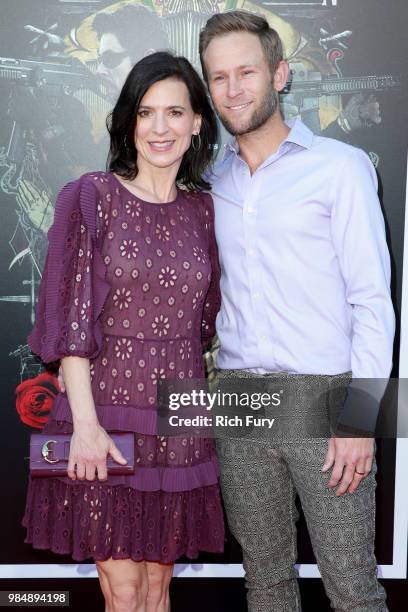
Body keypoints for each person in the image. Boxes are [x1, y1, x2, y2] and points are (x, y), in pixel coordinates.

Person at [199, 11, 394, 612]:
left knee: (353, 588)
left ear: (280, 75)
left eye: (246, 72)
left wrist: (361, 419)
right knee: (265, 583)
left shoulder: (342, 166)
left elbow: (373, 299)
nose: (233, 89)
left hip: (325, 397)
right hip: (236, 397)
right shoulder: (207, 180)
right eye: (218, 77)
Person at [23, 51, 224, 612]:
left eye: (175, 113)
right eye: (145, 113)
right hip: (101, 413)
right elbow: (67, 326)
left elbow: (205, 322)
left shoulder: (205, 210)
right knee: (125, 588)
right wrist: (84, 427)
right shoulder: (91, 197)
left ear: (198, 122)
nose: (160, 128)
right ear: (127, 123)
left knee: (160, 588)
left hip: (177, 418)